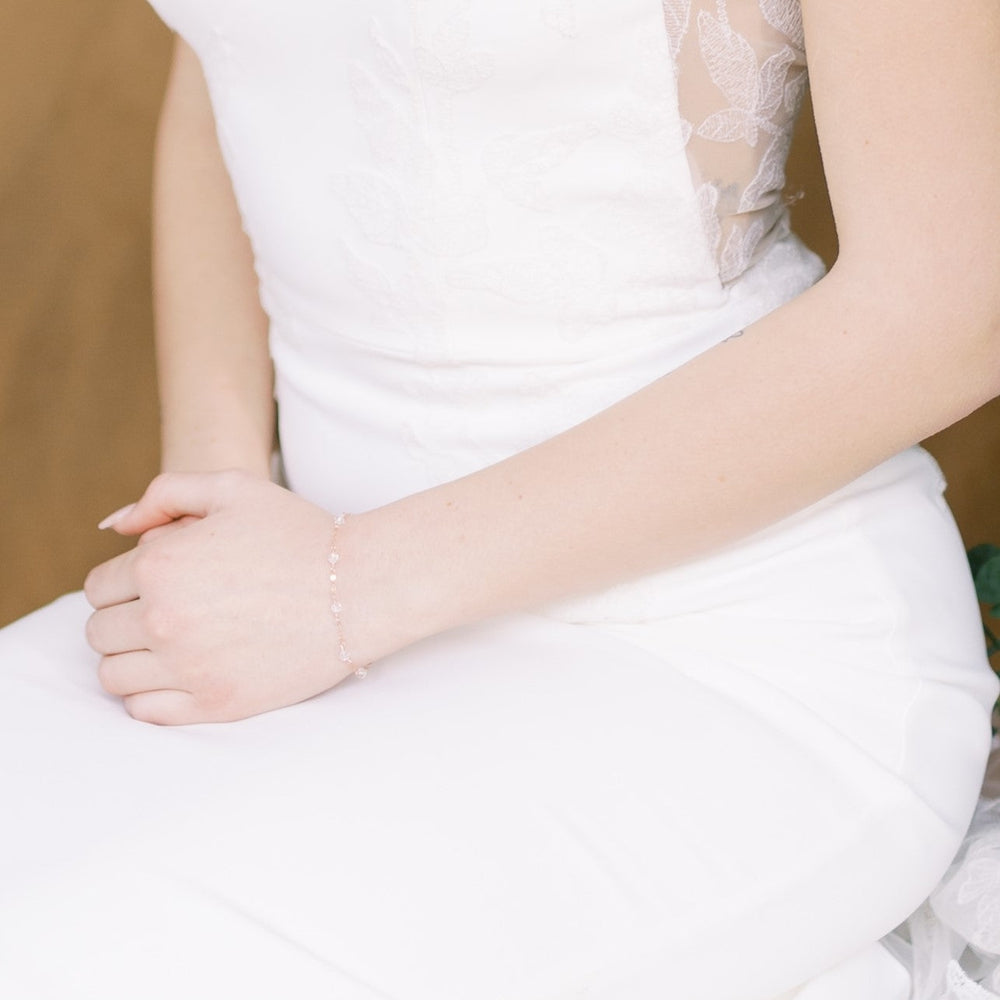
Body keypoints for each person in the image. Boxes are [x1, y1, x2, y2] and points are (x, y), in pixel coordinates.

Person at [1, 1, 998, 997]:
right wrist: (216, 498)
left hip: (711, 654)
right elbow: (232, 56)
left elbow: (947, 308)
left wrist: (339, 592)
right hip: (296, 597)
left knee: (82, 959)